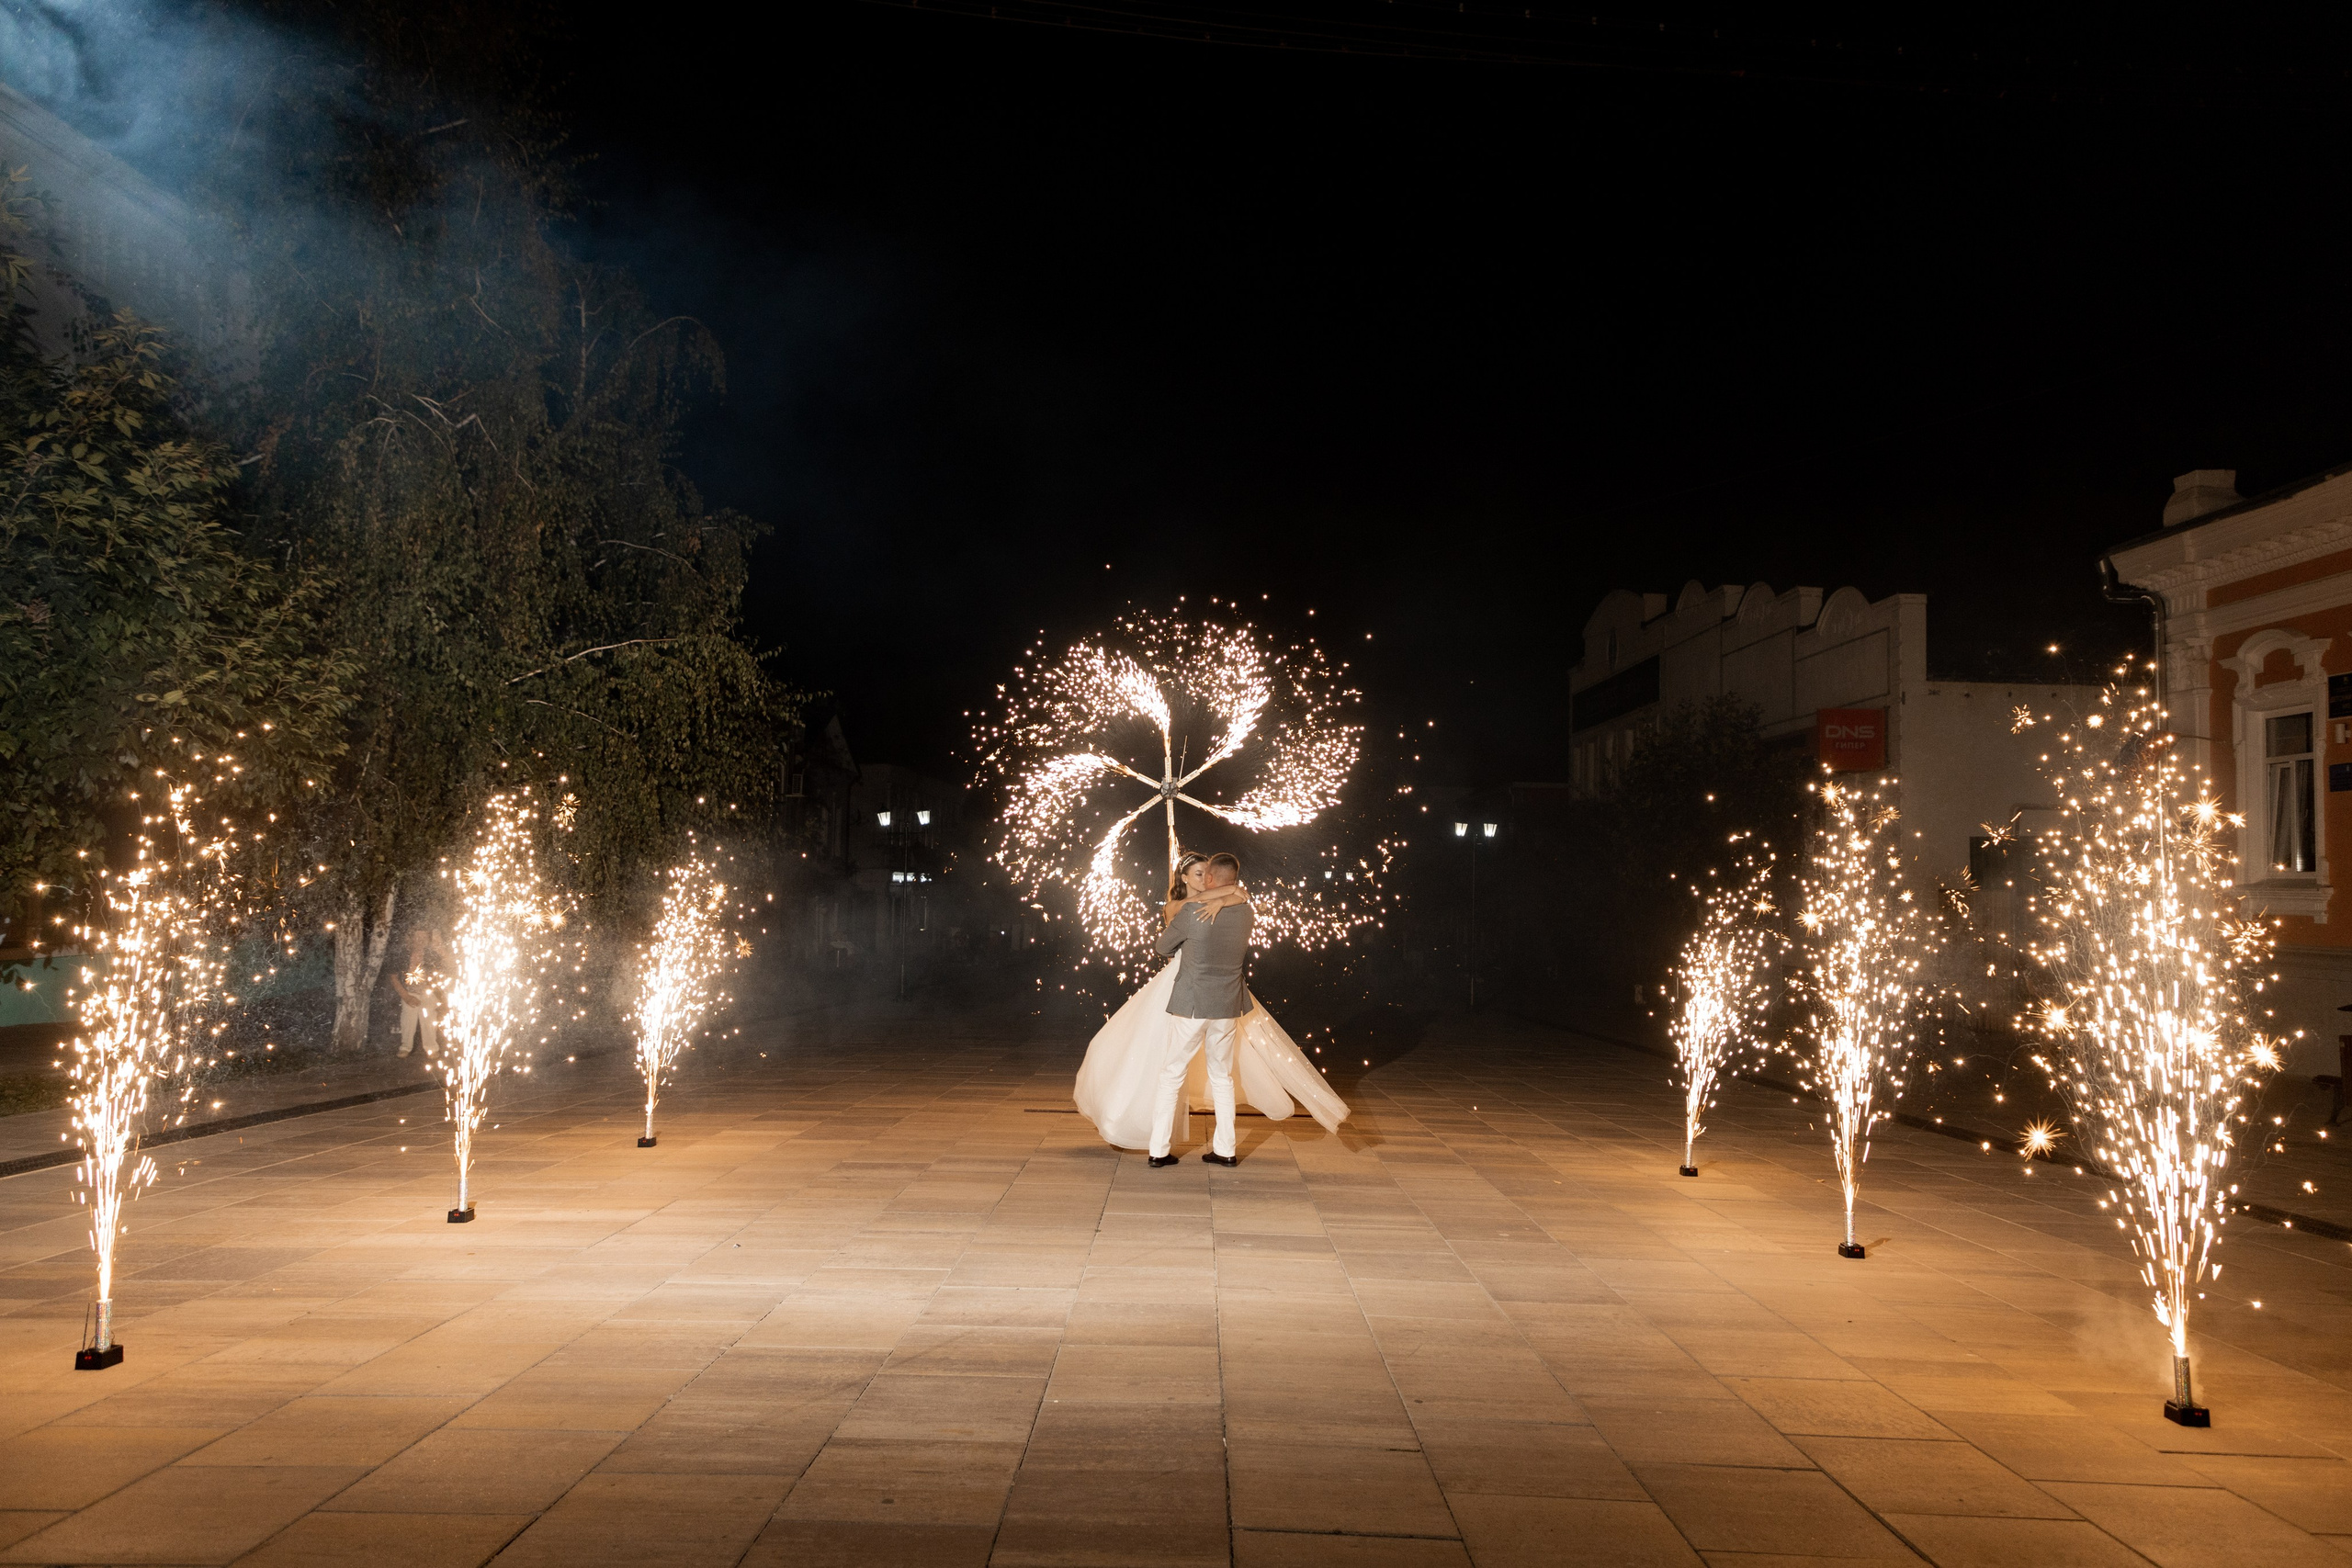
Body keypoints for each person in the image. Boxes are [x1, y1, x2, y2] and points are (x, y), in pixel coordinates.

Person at [1072, 850, 1349, 1162]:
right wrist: (1223, 898)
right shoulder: (1246, 912)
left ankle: (1160, 1151)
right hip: (1228, 1006)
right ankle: (1225, 1151)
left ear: (1214, 879)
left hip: (1191, 1004)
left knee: (1172, 1074)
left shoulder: (1192, 913)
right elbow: (1239, 896)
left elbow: (1162, 947)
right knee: (1222, 1077)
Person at [390, 924, 448, 1059]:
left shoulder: (432, 955)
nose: (420, 940)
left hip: (428, 992)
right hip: (409, 992)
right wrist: (406, 997)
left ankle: (432, 1048)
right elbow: (393, 977)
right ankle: (405, 1047)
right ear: (411, 938)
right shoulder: (402, 955)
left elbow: (446, 966)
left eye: (424, 937)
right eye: (417, 937)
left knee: (428, 1017)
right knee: (408, 1016)